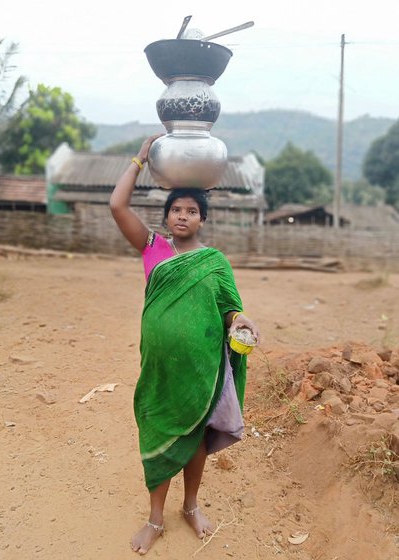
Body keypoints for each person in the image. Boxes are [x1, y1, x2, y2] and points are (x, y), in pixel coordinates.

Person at [109, 135, 259, 555]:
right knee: (156, 431)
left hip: (202, 367)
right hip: (160, 369)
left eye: (192, 211)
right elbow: (117, 207)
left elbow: (231, 309)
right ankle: (156, 517)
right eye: (176, 209)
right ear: (167, 216)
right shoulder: (152, 247)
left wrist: (240, 319)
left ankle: (190, 507)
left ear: (202, 220)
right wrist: (140, 158)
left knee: (196, 439)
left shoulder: (215, 263)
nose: (183, 215)